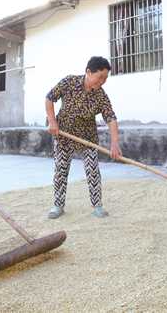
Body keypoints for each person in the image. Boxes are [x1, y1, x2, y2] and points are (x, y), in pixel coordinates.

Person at [45, 56, 122, 219]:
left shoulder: (101, 95)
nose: (102, 81)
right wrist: (52, 121)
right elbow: (49, 98)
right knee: (60, 170)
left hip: (88, 138)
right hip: (63, 135)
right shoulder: (69, 82)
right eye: (100, 77)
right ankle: (58, 205)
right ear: (88, 72)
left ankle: (97, 206)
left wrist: (115, 143)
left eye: (105, 78)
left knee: (93, 170)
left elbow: (111, 117)